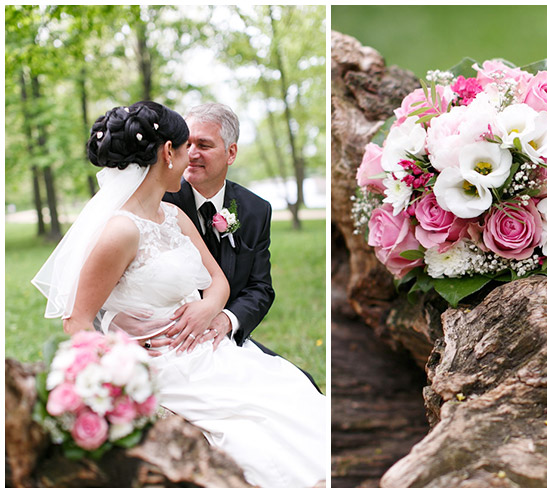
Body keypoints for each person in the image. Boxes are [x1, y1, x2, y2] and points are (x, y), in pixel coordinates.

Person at [32, 101, 326, 488]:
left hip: (213, 351)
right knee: (254, 441)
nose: (191, 158)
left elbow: (219, 281)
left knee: (297, 398)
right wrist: (125, 366)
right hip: (164, 366)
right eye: (187, 146)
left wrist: (208, 310)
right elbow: (78, 320)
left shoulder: (173, 216)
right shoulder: (121, 231)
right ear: (168, 153)